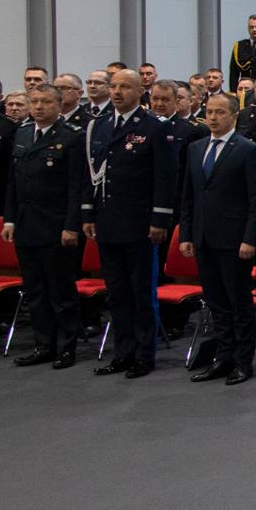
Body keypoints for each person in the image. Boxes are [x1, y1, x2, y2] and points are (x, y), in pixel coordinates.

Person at [83, 71, 179, 378]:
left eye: (124, 86)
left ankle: (143, 355)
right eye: (113, 86)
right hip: (108, 220)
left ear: (141, 91)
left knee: (141, 293)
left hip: (140, 223)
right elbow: (92, 174)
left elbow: (165, 177)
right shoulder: (98, 126)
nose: (117, 92)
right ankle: (122, 353)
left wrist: (160, 219)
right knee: (116, 293)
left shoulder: (153, 127)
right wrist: (88, 213)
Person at [176, 92, 256, 385]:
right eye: (209, 112)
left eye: (219, 113)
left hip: (235, 240)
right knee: (216, 302)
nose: (212, 118)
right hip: (204, 237)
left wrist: (250, 239)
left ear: (233, 116)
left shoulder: (248, 149)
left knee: (238, 303)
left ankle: (243, 361)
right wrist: (187, 233)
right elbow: (189, 196)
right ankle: (223, 356)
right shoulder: (196, 148)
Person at [1, 86, 84, 368]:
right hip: (26, 225)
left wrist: (71, 225)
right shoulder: (23, 134)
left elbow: (76, 186)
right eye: (34, 102)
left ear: (59, 105)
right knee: (35, 292)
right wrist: (9, 219)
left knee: (61, 291)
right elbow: (13, 182)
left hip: (56, 226)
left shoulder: (71, 136)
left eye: (46, 102)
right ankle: (43, 345)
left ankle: (66, 347)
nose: (38, 107)